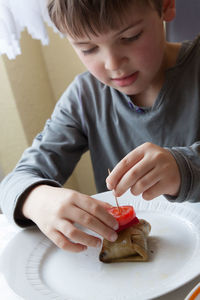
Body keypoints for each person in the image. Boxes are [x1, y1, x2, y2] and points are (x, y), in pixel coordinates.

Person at [0, 0, 200, 253]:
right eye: (88, 48)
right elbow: (15, 182)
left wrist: (185, 168)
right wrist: (36, 198)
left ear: (166, 6)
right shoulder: (84, 97)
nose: (113, 64)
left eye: (130, 36)